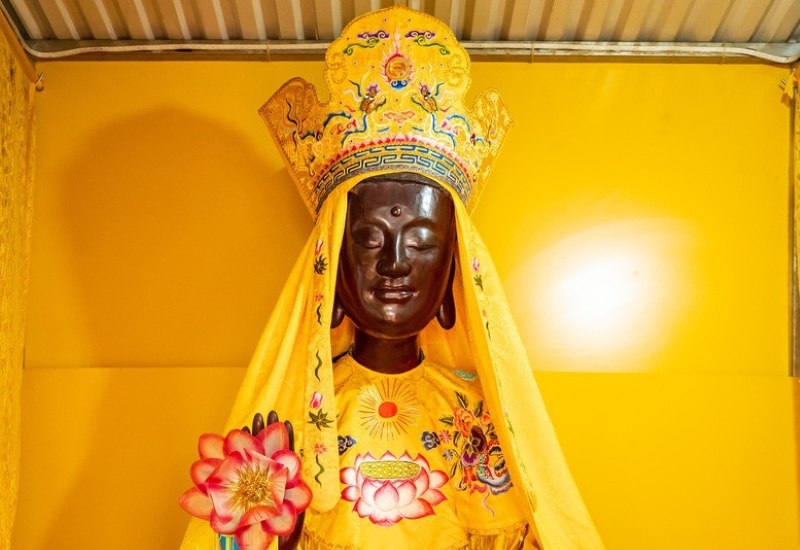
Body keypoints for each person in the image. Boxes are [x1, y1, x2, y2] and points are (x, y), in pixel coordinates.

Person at [180, 6, 603, 550]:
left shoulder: (476, 420)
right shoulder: (293, 427)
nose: (397, 264)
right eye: (370, 240)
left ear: (453, 275)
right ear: (330, 267)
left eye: (422, 243)